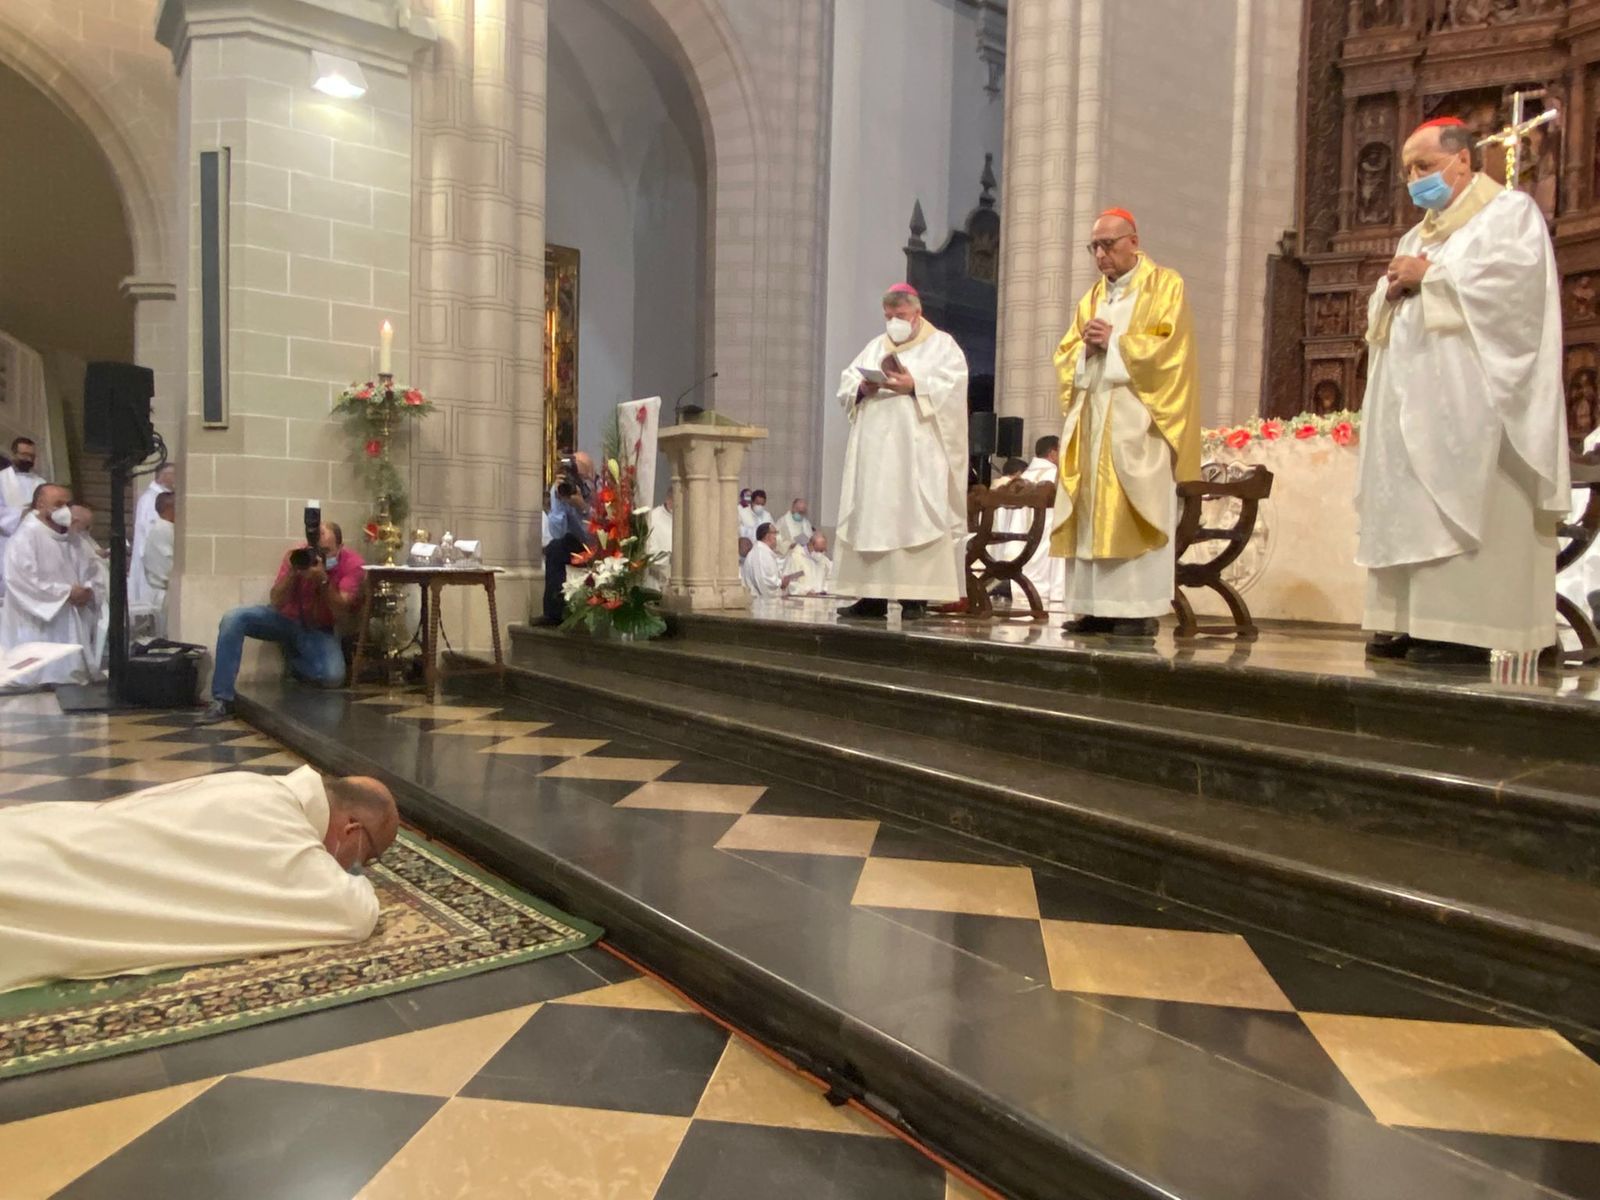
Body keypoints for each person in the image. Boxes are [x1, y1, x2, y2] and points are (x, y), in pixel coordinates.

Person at [1361, 117, 1569, 666]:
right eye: (1407, 170)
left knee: (1457, 500)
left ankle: (1459, 628)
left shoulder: (1509, 213)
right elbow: (1383, 306)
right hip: (1414, 397)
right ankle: (1408, 620)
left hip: (1473, 402)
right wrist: (1395, 288)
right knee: (1410, 500)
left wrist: (1429, 279)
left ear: (1463, 161)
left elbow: (1514, 291)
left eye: (1423, 166)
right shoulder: (1418, 233)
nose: (1414, 180)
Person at [0, 767, 397, 994]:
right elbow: (351, 915)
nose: (360, 867)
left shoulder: (264, 786)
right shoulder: (282, 825)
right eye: (369, 855)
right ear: (351, 828)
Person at [1051, 207, 1201, 639]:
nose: (1101, 254)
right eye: (1094, 246)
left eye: (1108, 244)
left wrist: (1114, 343)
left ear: (1133, 241)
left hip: (1138, 420)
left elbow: (1172, 347)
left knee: (1134, 506)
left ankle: (1135, 609)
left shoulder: (1165, 285)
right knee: (1090, 509)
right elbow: (1065, 353)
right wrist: (1084, 350)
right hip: (1094, 415)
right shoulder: (1090, 298)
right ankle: (1093, 606)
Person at [835, 283, 969, 619]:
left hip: (916, 454)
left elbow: (954, 388)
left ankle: (915, 598)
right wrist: (862, 388)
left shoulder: (941, 346)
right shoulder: (873, 347)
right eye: (888, 316)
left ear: (917, 313)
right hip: (874, 456)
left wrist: (916, 386)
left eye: (901, 315)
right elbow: (846, 383)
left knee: (914, 518)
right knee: (873, 518)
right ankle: (871, 597)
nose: (894, 321)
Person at [195, 522, 364, 723]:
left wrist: (324, 580)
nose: (320, 557)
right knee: (234, 619)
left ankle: (293, 660)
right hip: (284, 618)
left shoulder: (352, 563)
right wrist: (293, 573)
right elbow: (276, 600)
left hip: (318, 628)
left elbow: (342, 608)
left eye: (326, 551)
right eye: (316, 551)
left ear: (340, 547)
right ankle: (222, 699)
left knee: (333, 676)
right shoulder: (297, 556)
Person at [0, 483, 105, 685]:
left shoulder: (73, 538)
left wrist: (89, 591)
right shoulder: (25, 537)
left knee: (70, 675)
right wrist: (66, 593)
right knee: (37, 675)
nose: (65, 510)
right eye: (58, 504)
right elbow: (21, 580)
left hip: (70, 613)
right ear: (40, 504)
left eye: (67, 504)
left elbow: (93, 570)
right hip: (37, 619)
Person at [996, 435, 1066, 610]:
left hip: (1019, 541)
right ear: (1052, 453)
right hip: (1045, 535)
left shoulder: (1023, 476)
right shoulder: (1056, 475)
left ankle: (1012, 585)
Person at [540, 452, 595, 624]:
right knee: (555, 548)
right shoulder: (562, 488)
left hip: (600, 544)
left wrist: (583, 507)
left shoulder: (598, 489)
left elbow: (600, 531)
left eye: (580, 475)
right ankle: (553, 614)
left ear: (589, 474)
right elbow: (557, 533)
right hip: (576, 544)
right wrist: (559, 502)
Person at [0, 435, 45, 601]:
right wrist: (20, 514)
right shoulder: (1, 479)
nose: (28, 459)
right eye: (24, 455)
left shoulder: (41, 483)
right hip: (6, 540)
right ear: (13, 454)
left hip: (34, 542)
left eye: (31, 456)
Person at [128, 463, 176, 609]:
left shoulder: (160, 496)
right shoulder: (151, 499)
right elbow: (150, 532)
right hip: (153, 566)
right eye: (174, 474)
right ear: (163, 476)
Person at [140, 491, 177, 634]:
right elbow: (168, 567)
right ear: (169, 508)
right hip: (164, 594)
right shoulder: (162, 530)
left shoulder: (170, 529)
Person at [741, 521, 802, 598]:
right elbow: (763, 581)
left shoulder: (764, 552)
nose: (776, 537)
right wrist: (781, 583)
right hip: (761, 604)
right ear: (767, 536)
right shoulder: (760, 554)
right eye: (775, 533)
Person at [783, 531, 835, 596]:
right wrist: (806, 591)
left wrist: (825, 589)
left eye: (824, 550)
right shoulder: (795, 557)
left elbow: (830, 577)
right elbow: (790, 582)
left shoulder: (823, 560)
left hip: (819, 600)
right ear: (811, 545)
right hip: (800, 601)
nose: (821, 553)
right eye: (819, 550)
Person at [644, 491, 673, 592]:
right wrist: (669, 558)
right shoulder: (653, 518)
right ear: (669, 500)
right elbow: (648, 550)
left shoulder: (686, 518)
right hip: (658, 581)